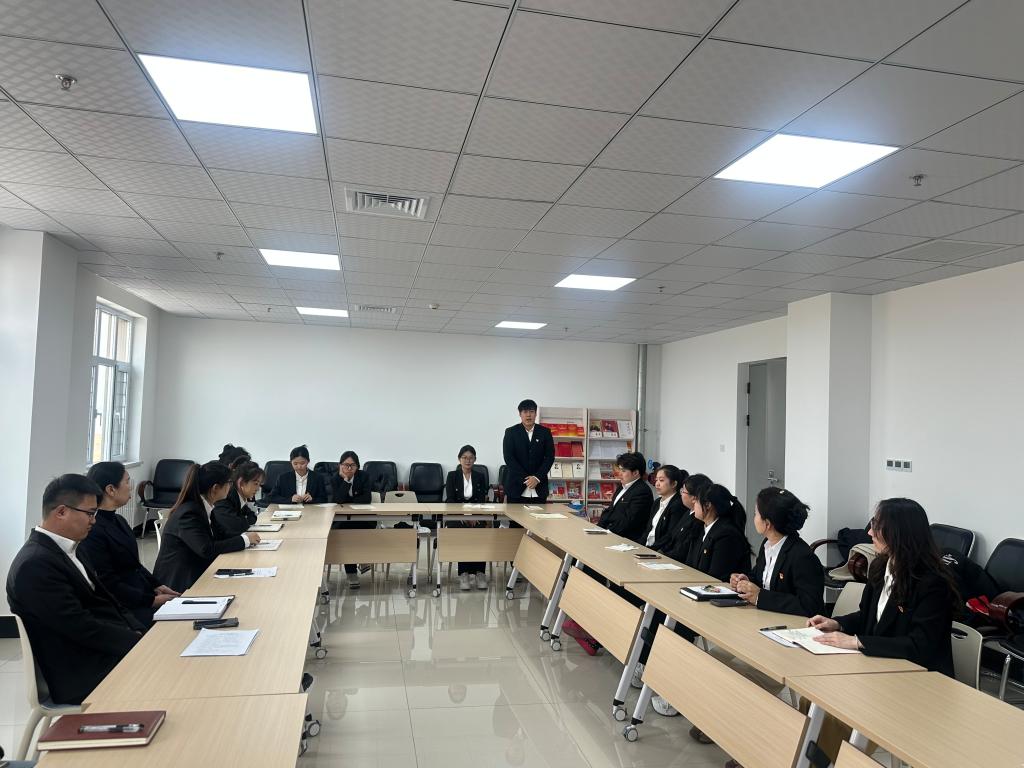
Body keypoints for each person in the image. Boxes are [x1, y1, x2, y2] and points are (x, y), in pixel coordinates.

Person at [6, 474, 145, 705]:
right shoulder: (34, 565)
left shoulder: (72, 548)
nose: (94, 521)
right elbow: (80, 627)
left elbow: (109, 601)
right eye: (90, 513)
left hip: (99, 651)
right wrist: (136, 642)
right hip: (80, 671)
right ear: (61, 512)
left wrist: (138, 630)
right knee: (169, 669)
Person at [808, 497, 955, 675]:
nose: (870, 532)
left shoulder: (932, 583)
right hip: (880, 664)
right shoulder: (880, 566)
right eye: (873, 524)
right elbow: (869, 616)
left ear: (900, 533)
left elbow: (920, 645)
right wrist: (838, 624)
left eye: (877, 526)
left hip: (918, 674)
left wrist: (857, 642)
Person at [79, 462, 180, 626]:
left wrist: (157, 585)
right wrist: (151, 600)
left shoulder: (119, 520)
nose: (131, 487)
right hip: (124, 607)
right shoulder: (94, 531)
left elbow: (135, 565)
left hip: (141, 594)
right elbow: (107, 583)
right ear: (111, 490)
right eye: (127, 482)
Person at [153, 461, 260, 592]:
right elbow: (206, 549)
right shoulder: (189, 512)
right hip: (179, 584)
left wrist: (246, 538)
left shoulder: (205, 507)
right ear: (215, 488)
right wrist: (245, 540)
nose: (231, 487)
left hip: (198, 570)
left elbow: (221, 535)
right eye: (229, 483)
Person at [730, 487, 825, 617]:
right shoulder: (767, 544)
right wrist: (746, 582)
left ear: (767, 524)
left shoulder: (802, 556)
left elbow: (810, 606)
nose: (754, 518)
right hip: (767, 617)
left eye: (756, 513)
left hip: (794, 624)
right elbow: (761, 579)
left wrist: (760, 597)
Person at [444, 445, 490, 591]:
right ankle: (463, 574)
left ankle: (480, 573)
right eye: (464, 457)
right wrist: (462, 514)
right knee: (462, 534)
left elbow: (481, 500)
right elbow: (450, 499)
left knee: (480, 533)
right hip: (457, 516)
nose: (467, 460)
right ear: (459, 459)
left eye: (471, 458)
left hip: (476, 515)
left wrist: (475, 515)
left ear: (475, 459)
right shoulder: (452, 476)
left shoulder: (480, 476)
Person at [685, 483, 751, 581]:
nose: (693, 503)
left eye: (696, 500)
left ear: (708, 505)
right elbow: (690, 565)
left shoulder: (727, 535)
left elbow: (717, 576)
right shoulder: (700, 528)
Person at [329, 451, 373, 588]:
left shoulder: (364, 476)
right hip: (342, 520)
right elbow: (337, 500)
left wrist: (348, 500)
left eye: (352, 465)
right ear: (340, 465)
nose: (349, 468)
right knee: (346, 532)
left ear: (357, 466)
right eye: (345, 465)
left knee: (359, 529)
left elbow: (366, 499)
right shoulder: (335, 479)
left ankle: (362, 558)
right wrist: (346, 481)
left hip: (363, 517)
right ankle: (352, 571)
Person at [502, 399, 554, 504]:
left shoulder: (545, 432)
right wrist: (527, 479)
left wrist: (536, 478)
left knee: (539, 515)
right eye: (525, 412)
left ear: (536, 413)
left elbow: (549, 457)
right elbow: (509, 458)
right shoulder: (511, 432)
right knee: (515, 515)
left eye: (531, 411)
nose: (528, 415)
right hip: (516, 487)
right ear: (520, 414)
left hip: (539, 487)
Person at [596, 452, 654, 543]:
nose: (619, 474)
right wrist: (598, 528)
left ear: (635, 473)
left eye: (623, 471)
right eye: (619, 469)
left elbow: (628, 521)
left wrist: (607, 532)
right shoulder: (622, 486)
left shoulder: (642, 492)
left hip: (627, 540)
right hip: (611, 534)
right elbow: (610, 511)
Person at [661, 473, 711, 563]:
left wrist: (662, 557)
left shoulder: (699, 520)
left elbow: (683, 551)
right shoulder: (688, 512)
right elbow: (671, 536)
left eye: (683, 491)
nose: (681, 494)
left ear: (694, 498)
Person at [211, 459, 264, 540]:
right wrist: (243, 520)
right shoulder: (225, 497)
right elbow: (236, 527)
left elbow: (252, 517)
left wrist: (242, 519)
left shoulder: (239, 498)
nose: (258, 489)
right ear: (241, 482)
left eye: (259, 484)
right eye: (255, 484)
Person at [642, 465, 689, 552]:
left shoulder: (678, 505)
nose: (657, 484)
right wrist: (639, 546)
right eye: (656, 480)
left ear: (674, 484)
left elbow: (670, 536)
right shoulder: (657, 502)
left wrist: (650, 550)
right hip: (647, 547)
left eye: (661, 480)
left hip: (659, 551)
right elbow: (648, 529)